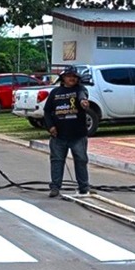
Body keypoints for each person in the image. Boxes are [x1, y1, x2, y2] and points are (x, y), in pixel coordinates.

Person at [43, 65, 91, 198]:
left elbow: (83, 97)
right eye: (69, 76)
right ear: (63, 78)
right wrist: (50, 126)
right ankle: (55, 187)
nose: (72, 79)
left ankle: (84, 187)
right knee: (57, 161)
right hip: (58, 135)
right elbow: (47, 111)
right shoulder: (55, 93)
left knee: (81, 160)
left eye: (74, 77)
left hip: (78, 135)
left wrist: (83, 103)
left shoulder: (80, 90)